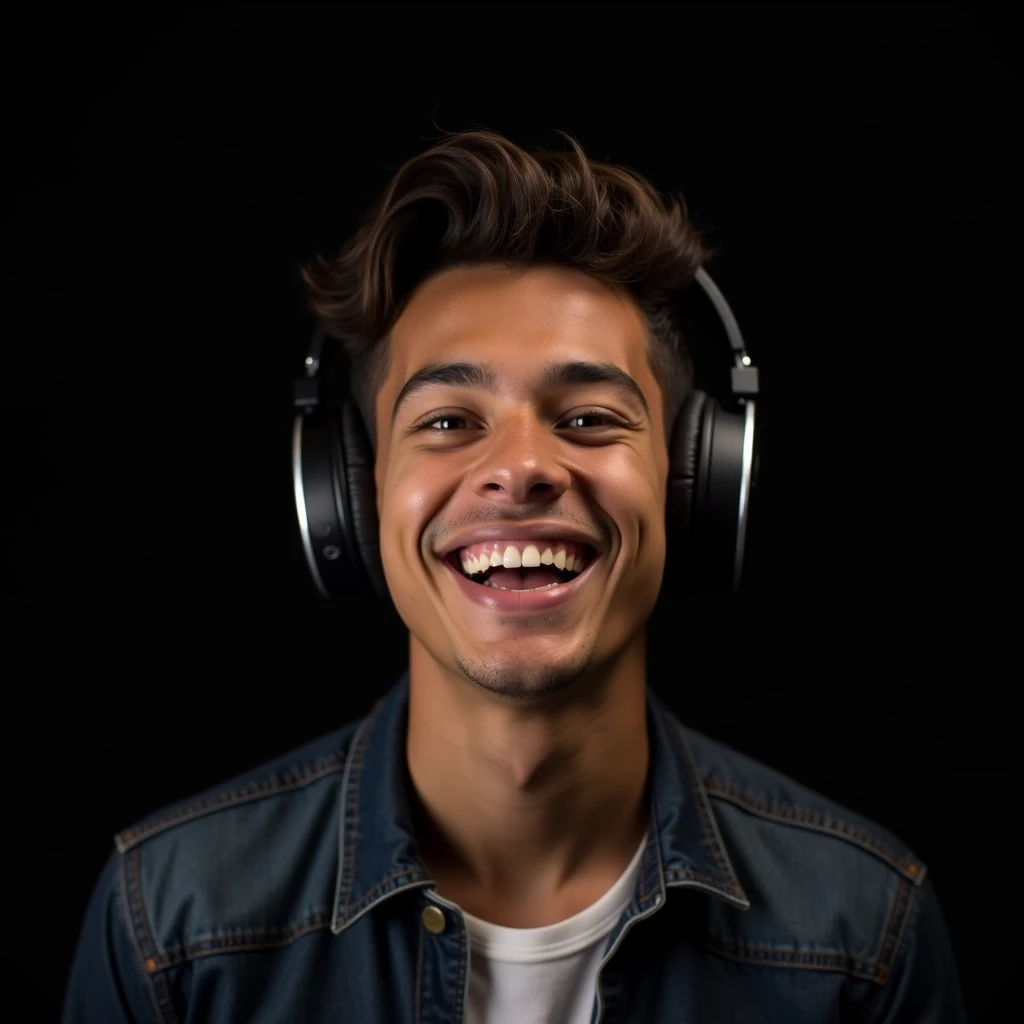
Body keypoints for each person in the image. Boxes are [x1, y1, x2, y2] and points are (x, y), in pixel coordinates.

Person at [63, 129, 966, 1023]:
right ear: (352, 493)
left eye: (588, 418)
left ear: (694, 484)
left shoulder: (863, 938)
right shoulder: (171, 929)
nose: (523, 466)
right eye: (450, 422)